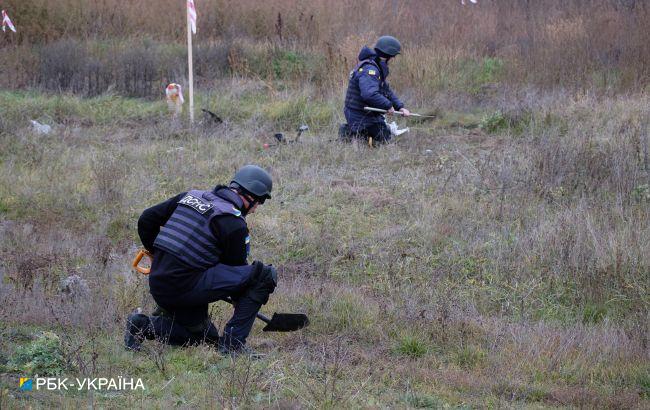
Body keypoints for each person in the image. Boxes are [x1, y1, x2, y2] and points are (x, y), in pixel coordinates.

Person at [124, 165, 277, 357]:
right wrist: (244, 300)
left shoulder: (190, 196)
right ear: (251, 197)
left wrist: (160, 256)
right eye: (259, 203)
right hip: (184, 288)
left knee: (204, 337)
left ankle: (141, 325)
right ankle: (234, 345)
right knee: (264, 274)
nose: (256, 209)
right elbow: (237, 274)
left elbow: (147, 219)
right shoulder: (233, 224)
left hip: (159, 284)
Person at [342, 35, 411, 146]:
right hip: (358, 113)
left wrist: (400, 107)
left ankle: (356, 133)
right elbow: (369, 94)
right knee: (381, 141)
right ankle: (350, 133)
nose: (393, 59)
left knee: (385, 136)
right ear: (389, 55)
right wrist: (388, 106)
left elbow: (386, 90)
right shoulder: (370, 69)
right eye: (393, 56)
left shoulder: (376, 65)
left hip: (368, 112)